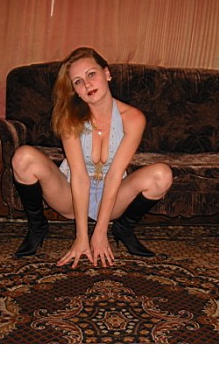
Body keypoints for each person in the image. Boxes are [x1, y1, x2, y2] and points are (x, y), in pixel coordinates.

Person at [10, 47, 173, 268]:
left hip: (113, 196)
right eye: (78, 81)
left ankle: (123, 228)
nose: (87, 85)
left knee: (162, 174)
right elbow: (79, 176)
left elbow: (115, 175)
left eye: (91, 74)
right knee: (23, 157)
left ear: (107, 73)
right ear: (75, 90)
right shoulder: (69, 118)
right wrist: (81, 237)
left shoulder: (133, 118)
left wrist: (100, 232)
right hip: (71, 194)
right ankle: (38, 227)